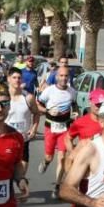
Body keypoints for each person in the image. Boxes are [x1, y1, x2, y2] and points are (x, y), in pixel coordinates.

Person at [36, 66, 78, 199]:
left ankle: (57, 186)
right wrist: (48, 111)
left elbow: (74, 105)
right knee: (49, 157)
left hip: (64, 129)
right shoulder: (49, 91)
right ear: (56, 76)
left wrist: (75, 113)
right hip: (50, 128)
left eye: (66, 76)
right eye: (61, 75)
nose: (64, 78)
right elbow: (37, 105)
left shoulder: (72, 92)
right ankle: (46, 162)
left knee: (62, 158)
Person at [5, 67, 40, 173]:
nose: (17, 80)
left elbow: (36, 113)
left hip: (23, 140)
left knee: (21, 176)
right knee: (8, 174)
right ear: (8, 79)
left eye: (19, 78)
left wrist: (34, 129)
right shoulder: (3, 97)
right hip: (6, 140)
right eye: (14, 77)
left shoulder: (28, 97)